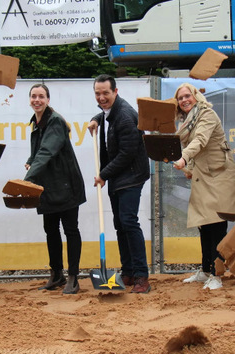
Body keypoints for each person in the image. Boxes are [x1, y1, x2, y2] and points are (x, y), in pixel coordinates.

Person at [171, 83, 235, 290]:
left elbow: (201, 141)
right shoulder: (187, 121)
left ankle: (217, 274)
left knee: (217, 224)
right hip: (203, 175)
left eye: (187, 96)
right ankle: (205, 270)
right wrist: (187, 167)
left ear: (195, 96)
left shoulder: (207, 115)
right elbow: (194, 149)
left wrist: (183, 158)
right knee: (205, 225)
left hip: (220, 176)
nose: (184, 100)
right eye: (180, 98)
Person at [87, 74, 151, 293]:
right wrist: (96, 118)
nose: (102, 97)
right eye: (98, 93)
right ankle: (129, 272)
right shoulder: (110, 112)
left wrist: (103, 174)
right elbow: (105, 113)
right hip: (118, 177)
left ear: (116, 91)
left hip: (131, 176)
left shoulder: (124, 116)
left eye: (106, 92)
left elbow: (127, 153)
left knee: (128, 222)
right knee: (120, 224)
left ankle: (142, 276)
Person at [24, 84, 86, 295]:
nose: (37, 100)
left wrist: (28, 178)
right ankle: (56, 274)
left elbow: (48, 150)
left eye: (41, 96)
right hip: (47, 186)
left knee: (70, 230)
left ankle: (73, 277)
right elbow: (39, 151)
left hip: (66, 185)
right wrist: (30, 161)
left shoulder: (56, 121)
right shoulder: (36, 122)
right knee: (51, 230)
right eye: (33, 96)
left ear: (48, 99)